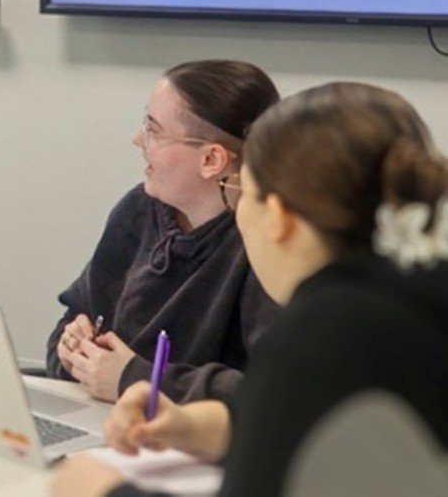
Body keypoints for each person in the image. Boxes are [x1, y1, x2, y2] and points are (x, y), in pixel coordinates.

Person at [53, 82, 448, 497]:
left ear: (277, 217)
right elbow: (316, 424)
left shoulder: (318, 335)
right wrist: (199, 427)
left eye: (242, 195)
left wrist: (103, 491)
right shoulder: (415, 295)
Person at [47, 61, 280, 403]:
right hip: (106, 422)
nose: (138, 139)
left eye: (154, 130)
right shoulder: (137, 211)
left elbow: (274, 393)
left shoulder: (267, 245)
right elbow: (75, 318)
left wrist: (135, 380)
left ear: (212, 160)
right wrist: (73, 351)